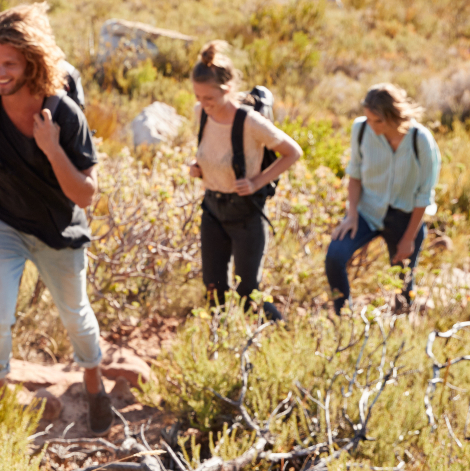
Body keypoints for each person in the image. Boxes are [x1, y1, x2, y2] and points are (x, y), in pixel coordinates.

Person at [0, 3, 113, 434]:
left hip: (59, 232)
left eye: (9, 64)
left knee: (76, 315)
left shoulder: (65, 114)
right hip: (5, 223)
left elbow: (86, 196)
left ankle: (93, 382)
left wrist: (51, 148)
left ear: (32, 62)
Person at [188, 41, 302, 322]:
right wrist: (199, 168)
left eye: (209, 98)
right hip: (212, 209)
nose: (204, 104)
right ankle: (218, 348)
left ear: (227, 90)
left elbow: (292, 152)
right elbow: (212, 151)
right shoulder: (200, 113)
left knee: (248, 292)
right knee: (213, 290)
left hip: (245, 214)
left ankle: (282, 335)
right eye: (199, 97)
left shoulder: (250, 122)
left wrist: (257, 181)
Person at [326, 83, 440, 314]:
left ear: (394, 116)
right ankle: (343, 316)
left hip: (406, 218)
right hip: (368, 212)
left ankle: (401, 330)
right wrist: (351, 215)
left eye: (377, 120)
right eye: (367, 118)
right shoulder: (360, 129)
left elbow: (424, 195)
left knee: (403, 286)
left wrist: (408, 238)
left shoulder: (421, 140)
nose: (370, 125)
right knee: (335, 256)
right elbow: (355, 175)